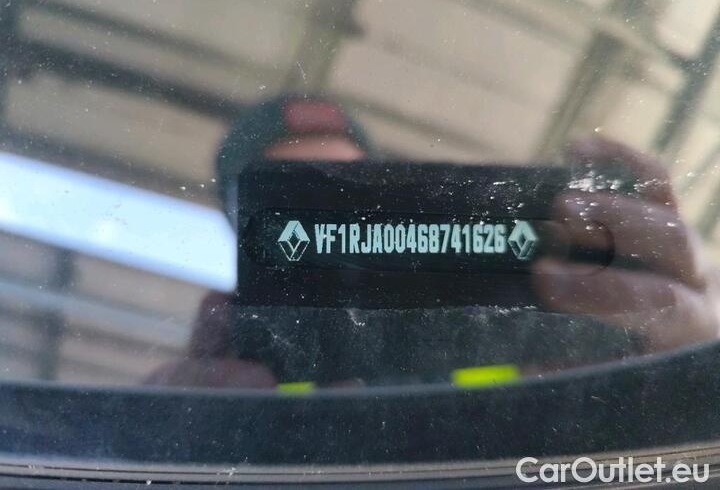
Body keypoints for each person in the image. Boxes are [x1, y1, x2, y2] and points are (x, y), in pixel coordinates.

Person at [146, 95, 720, 388]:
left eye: (345, 192)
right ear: (241, 230)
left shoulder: (500, 322)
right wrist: (171, 433)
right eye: (286, 201)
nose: (324, 226)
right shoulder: (219, 375)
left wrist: (691, 372)